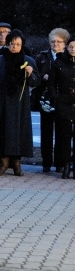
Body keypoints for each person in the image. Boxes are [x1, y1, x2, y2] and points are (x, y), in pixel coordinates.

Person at [0, 29, 39, 177]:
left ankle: (17, 164)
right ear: (7, 44)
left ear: (22, 45)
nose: (14, 47)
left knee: (19, 134)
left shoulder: (29, 60)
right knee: (3, 134)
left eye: (18, 44)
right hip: (2, 103)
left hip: (21, 104)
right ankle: (3, 162)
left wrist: (30, 73)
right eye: (12, 44)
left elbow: (36, 82)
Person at [34, 28, 70, 173]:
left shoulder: (68, 57)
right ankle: (46, 163)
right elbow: (35, 74)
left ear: (65, 43)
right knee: (46, 132)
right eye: (53, 41)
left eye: (59, 42)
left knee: (62, 133)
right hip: (45, 99)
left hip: (63, 99)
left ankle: (60, 163)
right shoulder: (42, 57)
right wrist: (43, 76)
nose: (55, 44)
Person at [48, 36, 75, 178]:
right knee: (64, 137)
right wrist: (56, 98)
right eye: (71, 47)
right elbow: (52, 83)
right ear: (67, 47)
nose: (73, 49)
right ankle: (65, 165)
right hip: (63, 104)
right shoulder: (59, 62)